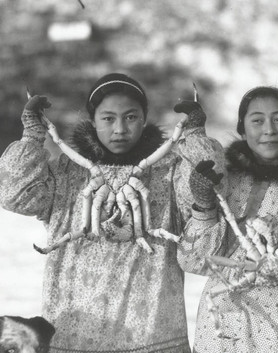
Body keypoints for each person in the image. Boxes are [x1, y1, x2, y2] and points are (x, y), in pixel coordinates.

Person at [0, 73, 225, 352]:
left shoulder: (169, 173)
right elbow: (14, 194)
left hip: (153, 336)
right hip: (72, 334)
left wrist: (195, 138)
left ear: (144, 119)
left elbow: (211, 185)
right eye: (108, 118)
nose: (120, 128)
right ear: (93, 122)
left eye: (130, 117)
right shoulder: (68, 173)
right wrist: (33, 136)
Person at [178, 86, 278, 353]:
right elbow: (194, 260)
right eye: (257, 121)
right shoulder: (224, 182)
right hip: (227, 327)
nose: (269, 129)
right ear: (242, 130)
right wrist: (204, 204)